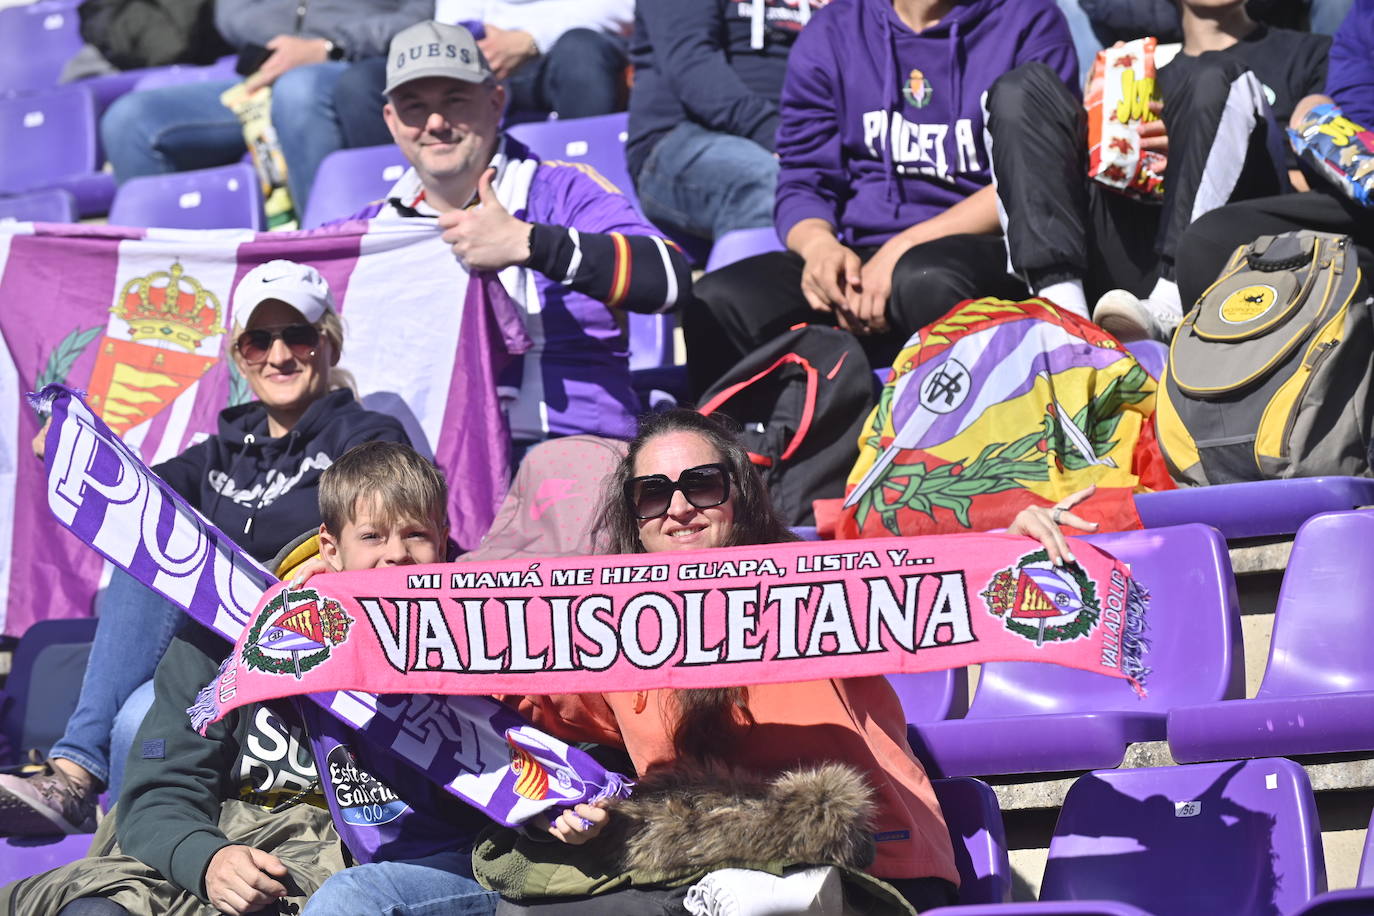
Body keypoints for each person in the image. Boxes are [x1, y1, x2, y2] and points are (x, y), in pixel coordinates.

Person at [485, 409, 1096, 913]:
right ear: (633, 514)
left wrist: (1006, 541)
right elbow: (519, 692)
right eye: (652, 493)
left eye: (700, 484)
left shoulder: (819, 582)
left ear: (739, 493)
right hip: (702, 868)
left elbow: (927, 571)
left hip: (865, 864)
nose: (678, 508)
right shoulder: (611, 630)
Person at [0, 260, 409, 837]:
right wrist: (70, 447)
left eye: (297, 335)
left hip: (303, 642)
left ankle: (78, 779)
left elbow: (394, 539)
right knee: (144, 550)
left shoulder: (368, 438)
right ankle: (87, 800)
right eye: (257, 340)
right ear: (240, 356)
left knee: (148, 683)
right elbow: (126, 488)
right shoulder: (219, 451)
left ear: (328, 344)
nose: (278, 355)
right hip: (205, 657)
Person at [0, 441, 474, 915]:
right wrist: (208, 859)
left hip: (353, 873)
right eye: (372, 536)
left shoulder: (479, 640)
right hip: (222, 851)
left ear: (444, 539)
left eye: (416, 535)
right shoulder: (230, 627)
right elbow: (162, 789)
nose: (396, 556)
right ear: (331, 548)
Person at [683, 0, 1079, 398]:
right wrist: (819, 248)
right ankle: (736, 454)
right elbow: (803, 177)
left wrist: (903, 245)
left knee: (924, 280)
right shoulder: (834, 27)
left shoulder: (1028, 19)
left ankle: (975, 452)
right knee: (717, 301)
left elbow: (1038, 175)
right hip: (859, 254)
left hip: (980, 246)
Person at [348, 20, 693, 449]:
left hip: (565, 451)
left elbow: (669, 278)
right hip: (425, 475)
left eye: (455, 100)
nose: (435, 122)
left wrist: (528, 243)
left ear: (496, 101)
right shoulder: (366, 232)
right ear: (391, 120)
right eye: (413, 106)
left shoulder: (562, 191)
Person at [983, 0, 1331, 342]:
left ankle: (1172, 300)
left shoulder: (1312, 53)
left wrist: (1187, 151)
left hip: (1240, 246)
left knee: (1215, 74)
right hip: (1136, 255)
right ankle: (1063, 315)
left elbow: (1337, 178)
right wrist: (1100, 130)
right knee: (1020, 88)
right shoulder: (1145, 72)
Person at [99, 0, 430, 213]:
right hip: (267, 70)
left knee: (298, 90)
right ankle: (172, 277)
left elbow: (424, 15)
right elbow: (230, 14)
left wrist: (330, 46)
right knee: (131, 120)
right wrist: (281, 46)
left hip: (358, 66)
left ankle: (327, 255)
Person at [1175, 0, 1374, 306]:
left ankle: (1168, 293)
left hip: (1299, 198)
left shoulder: (1307, 51)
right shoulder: (1153, 76)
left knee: (1218, 76)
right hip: (1196, 223)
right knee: (1206, 239)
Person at [625, 0, 828, 245]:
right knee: (773, 186)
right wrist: (778, 138)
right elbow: (691, 64)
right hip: (682, 138)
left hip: (804, 137)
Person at [332, 0, 635, 151]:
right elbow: (450, 16)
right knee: (361, 84)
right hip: (477, 52)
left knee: (581, 54)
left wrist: (531, 39)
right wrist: (464, 44)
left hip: (558, 52)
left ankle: (583, 190)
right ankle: (404, 211)